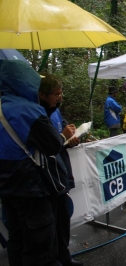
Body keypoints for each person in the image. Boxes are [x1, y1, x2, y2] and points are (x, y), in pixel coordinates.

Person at [0, 60, 64, 266]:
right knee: (40, 246)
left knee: (16, 240)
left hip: (6, 188)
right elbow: (53, 144)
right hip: (31, 187)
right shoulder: (27, 110)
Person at [38, 73, 83, 266]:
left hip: (61, 174)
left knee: (63, 221)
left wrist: (72, 137)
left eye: (61, 93)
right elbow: (46, 144)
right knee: (50, 225)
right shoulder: (38, 114)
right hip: (47, 178)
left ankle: (65, 257)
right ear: (42, 95)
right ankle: (54, 259)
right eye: (56, 94)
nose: (60, 97)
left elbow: (63, 133)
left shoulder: (56, 110)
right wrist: (62, 137)